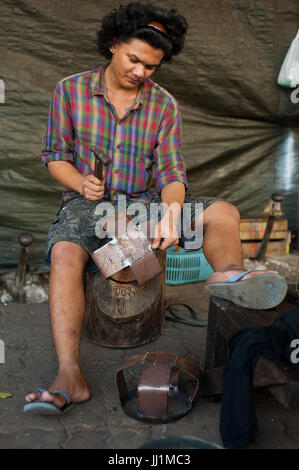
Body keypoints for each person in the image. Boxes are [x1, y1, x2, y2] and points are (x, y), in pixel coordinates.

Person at [23, 2, 287, 415]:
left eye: (152, 66)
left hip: (144, 205)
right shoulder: (70, 90)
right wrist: (80, 181)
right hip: (88, 207)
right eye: (134, 59)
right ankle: (70, 375)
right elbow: (54, 155)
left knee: (222, 214)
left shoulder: (163, 105)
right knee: (64, 253)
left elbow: (171, 173)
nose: (141, 72)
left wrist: (168, 213)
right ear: (113, 45)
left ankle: (229, 278)